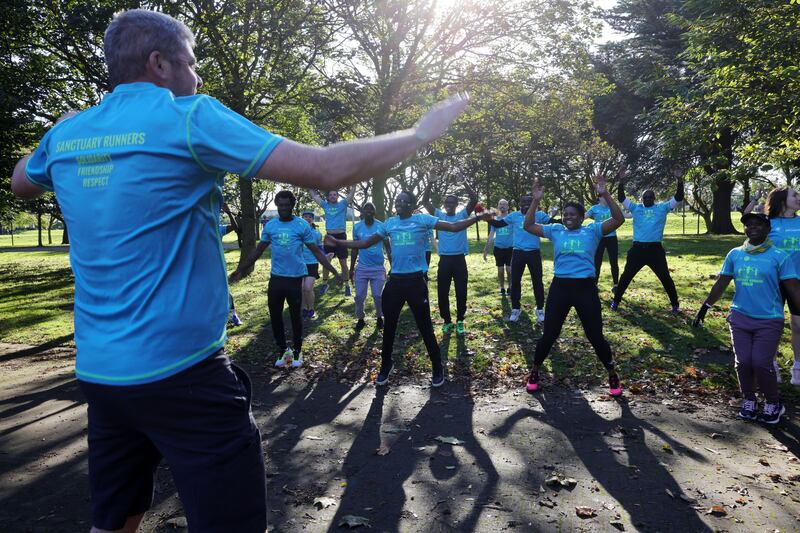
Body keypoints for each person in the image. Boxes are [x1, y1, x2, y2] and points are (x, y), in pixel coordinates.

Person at [10, 9, 469, 532]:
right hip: (184, 375)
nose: (198, 76)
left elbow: (21, 181)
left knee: (113, 520)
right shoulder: (189, 117)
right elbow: (326, 168)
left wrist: (62, 125)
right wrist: (419, 133)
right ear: (159, 63)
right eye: (191, 61)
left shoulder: (69, 137)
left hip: (102, 375)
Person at [327, 191, 492, 387]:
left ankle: (437, 367)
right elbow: (364, 243)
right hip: (395, 282)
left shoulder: (423, 219)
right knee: (389, 327)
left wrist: (478, 217)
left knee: (425, 327)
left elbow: (454, 227)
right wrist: (338, 242)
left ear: (412, 205)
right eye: (397, 200)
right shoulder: (389, 223)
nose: (399, 203)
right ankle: (386, 365)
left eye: (404, 201)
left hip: (415, 283)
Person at [522, 174, 625, 396]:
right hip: (560, 288)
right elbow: (528, 225)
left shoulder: (593, 230)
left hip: (585, 289)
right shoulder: (555, 230)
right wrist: (536, 200)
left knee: (595, 335)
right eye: (565, 214)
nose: (568, 218)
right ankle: (534, 370)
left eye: (572, 215)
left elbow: (618, 220)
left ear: (580, 216)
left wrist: (604, 193)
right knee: (549, 334)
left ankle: (612, 373)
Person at [693, 212, 800, 424]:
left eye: (758, 224)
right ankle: (749, 400)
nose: (753, 227)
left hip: (769, 319)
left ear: (768, 229)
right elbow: (722, 283)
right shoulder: (735, 254)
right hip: (740, 317)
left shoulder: (780, 257)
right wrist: (706, 305)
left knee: (761, 363)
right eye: (749, 224)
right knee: (743, 363)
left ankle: (773, 403)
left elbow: (794, 290)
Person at [231, 191, 340, 367]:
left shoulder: (301, 226)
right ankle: (283, 350)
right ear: (277, 205)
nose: (283, 208)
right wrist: (241, 270)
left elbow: (316, 251)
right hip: (276, 278)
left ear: (292, 205)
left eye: (287, 205)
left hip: (295, 278)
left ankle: (297, 351)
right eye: (280, 205)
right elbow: (258, 251)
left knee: (296, 316)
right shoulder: (271, 226)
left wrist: (334, 271)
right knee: (275, 316)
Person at [745, 187, 800, 385]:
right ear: (782, 200)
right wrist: (755, 198)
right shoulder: (768, 224)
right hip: (773, 283)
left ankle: (798, 368)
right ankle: (771, 365)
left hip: (797, 282)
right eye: (795, 195)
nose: (798, 198)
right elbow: (746, 217)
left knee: (798, 325)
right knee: (772, 327)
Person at [611, 167, 684, 312]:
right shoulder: (635, 208)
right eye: (645, 197)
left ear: (654, 198)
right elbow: (621, 198)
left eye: (650, 197)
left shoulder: (662, 208)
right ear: (642, 199)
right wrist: (621, 181)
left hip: (655, 250)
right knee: (626, 277)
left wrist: (679, 180)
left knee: (665, 278)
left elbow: (678, 197)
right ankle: (616, 301)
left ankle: (675, 304)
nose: (648, 199)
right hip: (637, 250)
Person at [485, 193, 551, 322]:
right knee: (515, 282)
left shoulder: (539, 215)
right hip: (518, 253)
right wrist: (486, 218)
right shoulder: (514, 216)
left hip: (534, 253)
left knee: (537, 281)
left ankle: (539, 309)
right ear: (519, 204)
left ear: (533, 203)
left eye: (529, 201)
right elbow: (498, 225)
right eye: (523, 201)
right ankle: (515, 308)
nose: (526, 204)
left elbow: (553, 222)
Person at [427, 187, 478, 335]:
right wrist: (430, 183)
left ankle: (460, 320)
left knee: (461, 290)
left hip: (459, 260)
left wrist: (465, 184)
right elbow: (425, 202)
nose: (448, 204)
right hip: (445, 260)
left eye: (452, 202)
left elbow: (474, 200)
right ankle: (447, 321)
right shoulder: (439, 215)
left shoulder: (462, 215)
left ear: (456, 204)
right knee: (442, 291)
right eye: (446, 202)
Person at [350, 202, 391, 330]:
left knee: (378, 296)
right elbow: (354, 249)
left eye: (371, 209)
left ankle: (380, 317)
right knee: (359, 296)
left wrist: (393, 266)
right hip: (362, 268)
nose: (369, 211)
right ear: (361, 212)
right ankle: (361, 318)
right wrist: (351, 269)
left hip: (378, 268)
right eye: (366, 209)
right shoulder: (357, 227)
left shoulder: (381, 226)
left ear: (375, 212)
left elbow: (388, 248)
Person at [310, 186, 356, 296]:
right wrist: (309, 186)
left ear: (338, 196)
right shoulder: (325, 205)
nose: (332, 196)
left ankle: (347, 285)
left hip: (341, 236)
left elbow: (351, 194)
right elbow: (314, 196)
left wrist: (354, 183)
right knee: (326, 261)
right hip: (329, 237)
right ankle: (325, 284)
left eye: (335, 194)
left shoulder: (343, 204)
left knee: (343, 263)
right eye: (330, 195)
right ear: (328, 197)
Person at [586, 168, 622, 289]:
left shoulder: (612, 208)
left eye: (605, 196)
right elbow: (583, 217)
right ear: (598, 198)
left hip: (612, 238)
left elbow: (624, 216)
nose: (604, 198)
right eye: (601, 196)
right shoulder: (594, 208)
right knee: (597, 261)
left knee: (613, 262)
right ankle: (594, 284)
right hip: (599, 238)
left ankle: (616, 284)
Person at [219, 203, 243, 326]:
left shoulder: (218, 228)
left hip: (218, 265)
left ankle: (233, 315)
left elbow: (235, 227)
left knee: (224, 289)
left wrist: (228, 213)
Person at [483, 199, 513, 296]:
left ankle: (510, 287)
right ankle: (502, 288)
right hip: (498, 248)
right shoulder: (495, 220)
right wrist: (486, 250)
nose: (502, 206)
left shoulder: (511, 219)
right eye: (500, 204)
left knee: (509, 270)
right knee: (500, 270)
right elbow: (491, 235)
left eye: (504, 204)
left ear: (508, 207)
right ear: (498, 206)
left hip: (510, 248)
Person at [300, 209, 323, 320]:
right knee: (301, 288)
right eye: (305, 216)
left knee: (308, 288)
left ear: (313, 219)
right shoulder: (297, 232)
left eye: (310, 217)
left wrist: (326, 257)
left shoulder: (317, 234)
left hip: (312, 263)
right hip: (299, 263)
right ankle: (304, 309)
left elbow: (320, 249)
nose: (308, 218)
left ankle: (312, 309)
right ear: (302, 218)